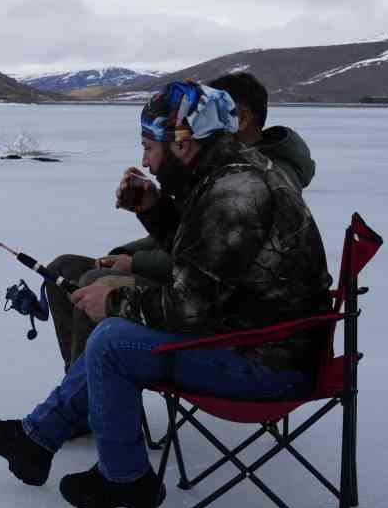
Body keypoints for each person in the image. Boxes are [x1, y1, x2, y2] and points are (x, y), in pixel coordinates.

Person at [0, 80, 332, 508]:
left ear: (183, 143)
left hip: (267, 363)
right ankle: (34, 442)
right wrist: (155, 210)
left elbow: (191, 309)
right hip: (256, 336)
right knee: (117, 335)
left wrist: (112, 303)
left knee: (112, 341)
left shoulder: (236, 193)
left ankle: (124, 479)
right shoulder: (231, 174)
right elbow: (203, 260)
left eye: (148, 145)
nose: (144, 159)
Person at [42, 71, 317, 370]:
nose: (198, 119)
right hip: (214, 304)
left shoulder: (241, 186)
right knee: (66, 271)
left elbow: (203, 283)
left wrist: (133, 267)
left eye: (207, 112)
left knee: (97, 287)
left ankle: (75, 407)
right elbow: (198, 243)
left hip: (254, 341)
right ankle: (74, 396)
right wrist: (152, 213)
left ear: (240, 117)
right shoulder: (216, 172)